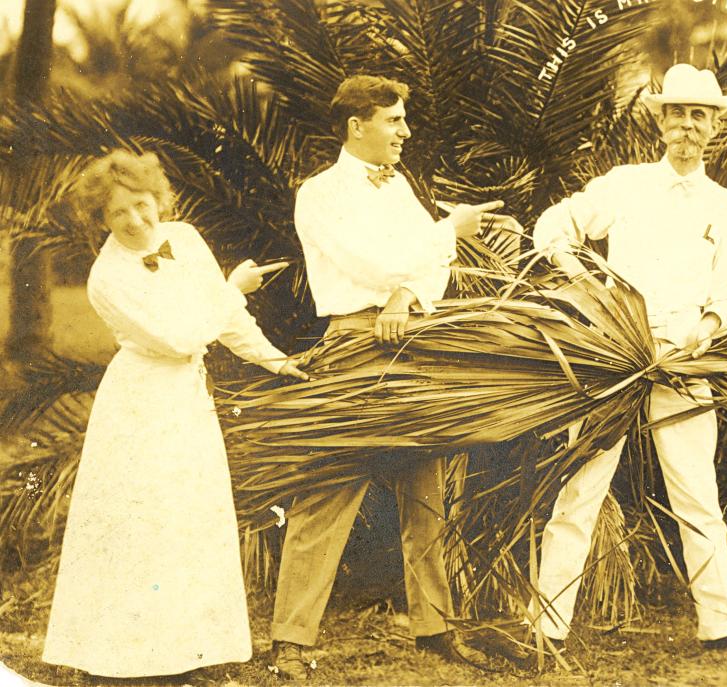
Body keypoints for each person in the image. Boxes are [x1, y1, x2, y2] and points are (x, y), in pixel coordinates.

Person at [528, 63, 727, 661]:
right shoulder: (625, 185)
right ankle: (546, 626)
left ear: (715, 126)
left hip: (683, 358)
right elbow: (553, 227)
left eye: (700, 115)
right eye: (678, 113)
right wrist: (586, 282)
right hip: (617, 356)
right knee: (580, 490)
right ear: (660, 120)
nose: (688, 125)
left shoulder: (724, 205)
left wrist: (705, 330)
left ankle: (723, 623)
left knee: (696, 491)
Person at [270, 74, 509, 678]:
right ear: (357, 126)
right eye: (394, 120)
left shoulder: (399, 185)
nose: (405, 131)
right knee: (327, 490)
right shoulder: (318, 193)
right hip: (353, 344)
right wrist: (443, 232)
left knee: (425, 491)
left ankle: (433, 629)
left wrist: (405, 293)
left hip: (410, 340)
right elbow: (369, 261)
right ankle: (291, 641)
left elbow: (430, 270)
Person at [42, 150, 307, 678]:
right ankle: (120, 654)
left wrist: (274, 361)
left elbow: (224, 317)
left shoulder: (183, 237)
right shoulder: (106, 279)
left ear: (157, 198)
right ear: (102, 220)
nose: (137, 221)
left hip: (187, 397)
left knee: (189, 515)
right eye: (120, 214)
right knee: (142, 519)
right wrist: (231, 290)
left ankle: (189, 651)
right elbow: (180, 337)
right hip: (140, 403)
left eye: (142, 205)